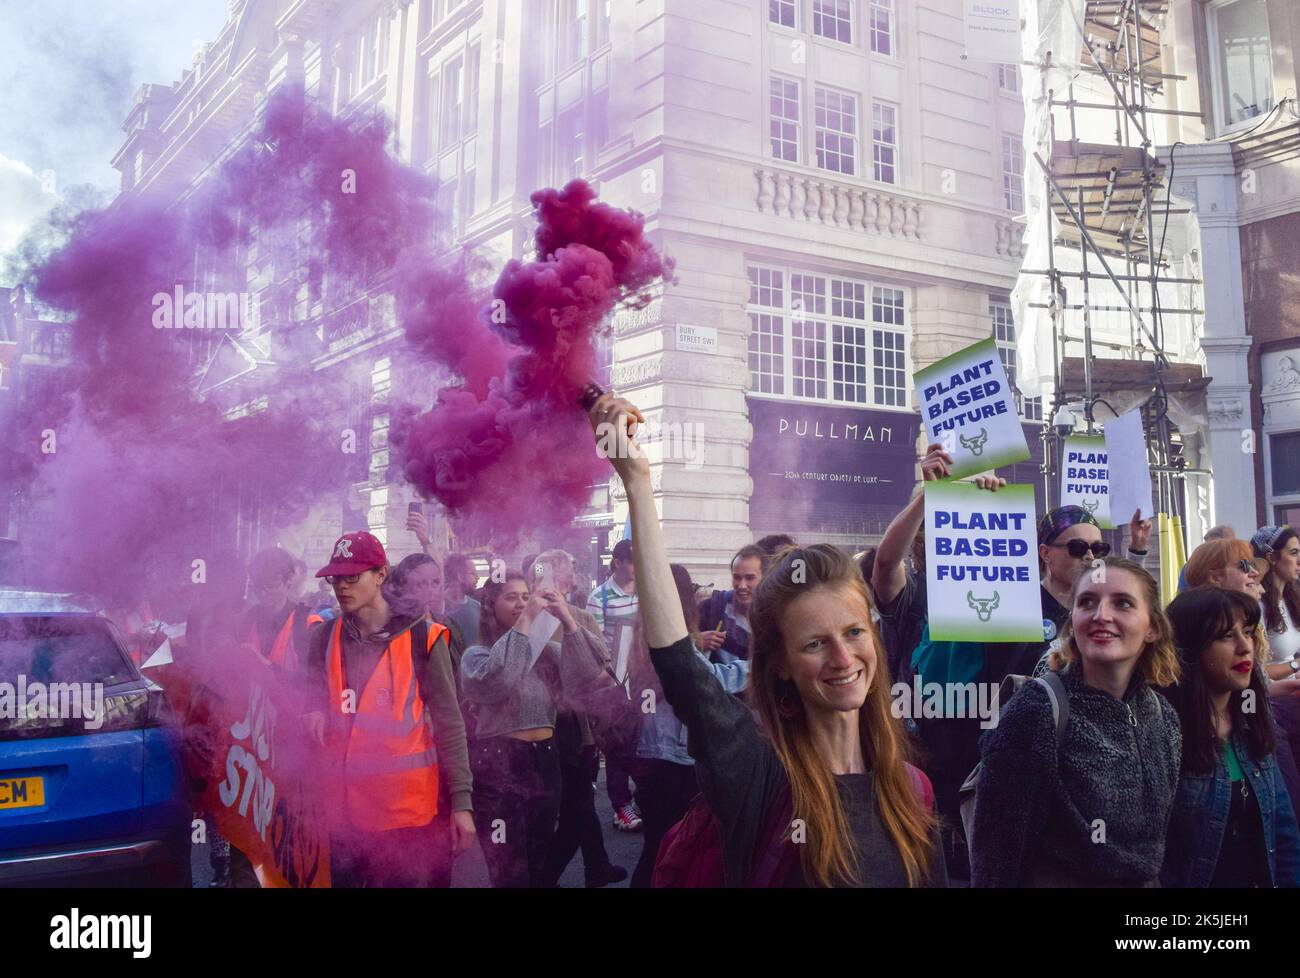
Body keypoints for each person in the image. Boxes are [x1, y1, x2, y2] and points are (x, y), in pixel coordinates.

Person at [590, 391, 944, 887]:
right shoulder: (757, 775)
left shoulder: (914, 792)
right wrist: (637, 482)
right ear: (779, 663)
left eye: (853, 632)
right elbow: (677, 661)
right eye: (815, 643)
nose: (843, 657)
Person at [969, 557, 1182, 887]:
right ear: (1073, 622)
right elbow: (996, 858)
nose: (1101, 615)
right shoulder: (1036, 711)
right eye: (1088, 603)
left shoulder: (1162, 716)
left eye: (1122, 603)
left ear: (1152, 627)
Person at [302, 531, 475, 887]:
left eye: (352, 577)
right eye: (336, 579)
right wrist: (313, 711)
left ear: (380, 575)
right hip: (342, 817)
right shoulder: (323, 637)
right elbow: (309, 696)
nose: (341, 587)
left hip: (407, 817)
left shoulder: (423, 637)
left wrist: (462, 804)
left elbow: (450, 724)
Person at [461, 571, 616, 887]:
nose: (520, 603)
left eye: (524, 596)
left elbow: (592, 669)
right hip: (499, 764)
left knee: (540, 859)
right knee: (507, 866)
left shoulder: (548, 653)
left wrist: (567, 619)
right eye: (510, 597)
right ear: (491, 605)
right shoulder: (476, 655)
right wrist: (528, 619)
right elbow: (502, 678)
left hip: (545, 760)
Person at [1161, 586, 1300, 887]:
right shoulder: (1162, 734)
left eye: (1248, 632)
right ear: (1190, 647)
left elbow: (1284, 833)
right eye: (1226, 636)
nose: (1245, 646)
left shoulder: (1253, 722)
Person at [627, 562, 749, 887]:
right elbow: (710, 681)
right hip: (673, 756)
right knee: (667, 849)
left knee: (657, 845)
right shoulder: (672, 640)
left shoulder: (645, 630)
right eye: (692, 591)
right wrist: (759, 665)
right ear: (681, 597)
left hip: (652, 751)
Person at [528, 549, 629, 888]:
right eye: (564, 572)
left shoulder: (579, 617)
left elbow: (606, 671)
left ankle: (579, 870)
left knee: (577, 805)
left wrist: (577, 677)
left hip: (575, 726)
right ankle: (554, 874)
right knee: (566, 809)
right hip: (538, 732)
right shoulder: (522, 618)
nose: (568, 578)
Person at [586, 538, 642, 832]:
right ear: (618, 562)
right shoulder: (600, 597)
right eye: (632, 560)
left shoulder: (645, 592)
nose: (637, 565)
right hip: (613, 682)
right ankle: (621, 807)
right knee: (618, 747)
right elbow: (594, 644)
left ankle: (642, 797)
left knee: (643, 742)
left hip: (643, 681)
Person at [240, 547, 321, 673]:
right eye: (257, 585)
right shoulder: (249, 618)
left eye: (270, 585)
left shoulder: (308, 623)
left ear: (288, 582)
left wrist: (268, 667)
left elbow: (317, 683)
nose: (262, 593)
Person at [696, 544, 768, 664]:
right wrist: (697, 641)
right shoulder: (710, 608)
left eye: (750, 578)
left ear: (765, 578)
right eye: (737, 578)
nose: (742, 586)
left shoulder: (776, 616)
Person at [1253, 526, 1300, 665]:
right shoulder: (1258, 604)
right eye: (1293, 553)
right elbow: (1256, 673)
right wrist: (1296, 665)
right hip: (1271, 686)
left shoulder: (1291, 599)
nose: (1299, 560)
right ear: (1272, 557)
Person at [1178, 525, 1237, 592]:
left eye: (1214, 545)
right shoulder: (1192, 566)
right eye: (1206, 544)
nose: (1207, 549)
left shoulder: (1238, 567)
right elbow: (1182, 593)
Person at [443, 552, 483, 648]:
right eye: (473, 574)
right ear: (459, 576)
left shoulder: (477, 606)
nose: (477, 578)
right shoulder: (439, 607)